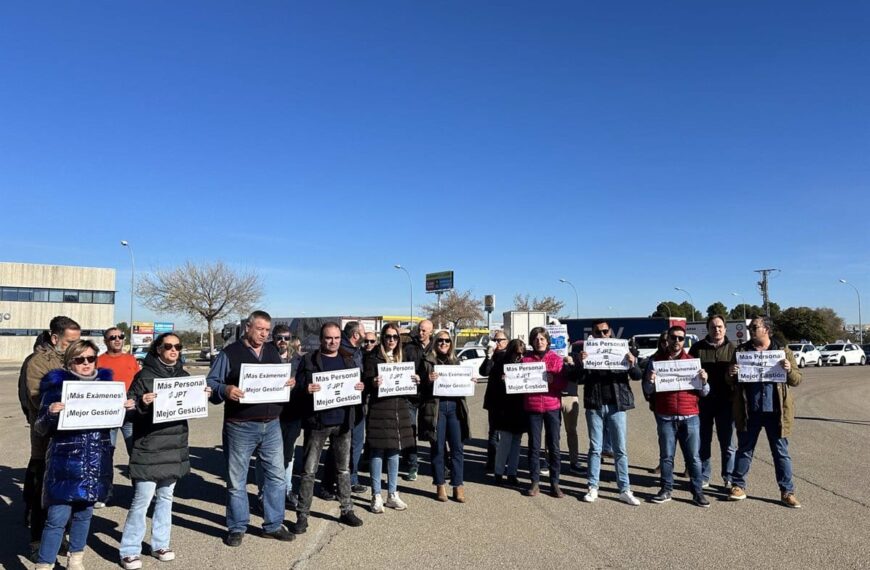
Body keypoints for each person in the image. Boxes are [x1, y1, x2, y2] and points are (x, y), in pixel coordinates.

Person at [34, 340, 134, 570]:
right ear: (70, 362)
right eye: (79, 359)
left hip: (95, 461)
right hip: (65, 462)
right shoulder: (56, 388)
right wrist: (50, 413)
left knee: (84, 514)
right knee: (56, 518)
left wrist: (129, 410)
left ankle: (76, 559)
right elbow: (40, 427)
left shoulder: (108, 388)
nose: (86, 363)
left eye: (90, 358)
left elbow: (117, 422)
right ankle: (45, 563)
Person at [120, 333, 211, 569]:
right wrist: (142, 403)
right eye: (168, 346)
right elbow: (129, 410)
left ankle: (160, 544)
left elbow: (191, 408)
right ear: (158, 349)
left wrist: (202, 397)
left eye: (177, 347)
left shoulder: (184, 377)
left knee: (166, 498)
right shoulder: (144, 376)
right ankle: (130, 550)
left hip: (174, 445)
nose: (173, 350)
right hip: (149, 446)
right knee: (142, 499)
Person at [206, 310, 296, 546]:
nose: (264, 334)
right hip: (240, 426)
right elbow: (211, 383)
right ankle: (237, 527)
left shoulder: (272, 352)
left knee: (276, 477)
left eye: (267, 330)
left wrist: (288, 383)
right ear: (248, 327)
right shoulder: (229, 353)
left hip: (271, 424)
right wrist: (225, 390)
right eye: (260, 329)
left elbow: (278, 380)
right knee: (237, 481)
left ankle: (273, 525)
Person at [291, 322, 365, 534]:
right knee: (309, 471)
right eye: (328, 338)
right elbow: (297, 387)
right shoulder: (309, 360)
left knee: (343, 469)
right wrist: (306, 389)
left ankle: (346, 509)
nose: (332, 342)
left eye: (336, 338)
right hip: (317, 423)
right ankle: (302, 515)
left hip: (343, 422)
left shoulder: (348, 359)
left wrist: (360, 386)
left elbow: (357, 385)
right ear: (321, 339)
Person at [727, 316, 803, 507]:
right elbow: (730, 381)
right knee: (745, 450)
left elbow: (797, 380)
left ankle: (787, 492)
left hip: (776, 412)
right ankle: (738, 486)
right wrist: (730, 373)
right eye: (750, 327)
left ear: (767, 329)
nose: (751, 330)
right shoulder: (742, 351)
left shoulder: (782, 351)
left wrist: (788, 370)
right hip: (749, 410)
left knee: (781, 452)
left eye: (755, 327)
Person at [24, 316, 81, 558]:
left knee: (66, 492)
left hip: (73, 440)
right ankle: (37, 542)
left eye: (77, 341)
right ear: (55, 338)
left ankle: (61, 536)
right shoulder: (38, 363)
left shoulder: (77, 359)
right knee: (42, 493)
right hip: (47, 439)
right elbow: (36, 398)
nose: (75, 347)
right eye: (69, 342)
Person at [573, 320, 642, 506]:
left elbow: (637, 375)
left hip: (616, 405)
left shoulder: (622, 349)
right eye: (598, 332)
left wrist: (632, 363)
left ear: (610, 332)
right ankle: (592, 487)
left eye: (605, 331)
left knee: (620, 449)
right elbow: (578, 379)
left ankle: (624, 489)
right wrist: (581, 363)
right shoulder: (588, 351)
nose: (602, 335)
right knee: (595, 448)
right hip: (595, 404)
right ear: (592, 334)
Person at [643, 325, 711, 507]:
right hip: (666, 416)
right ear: (667, 339)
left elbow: (704, 392)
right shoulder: (656, 362)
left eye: (680, 338)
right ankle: (666, 490)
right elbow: (648, 390)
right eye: (673, 337)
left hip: (690, 416)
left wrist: (704, 381)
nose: (676, 341)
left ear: (684, 341)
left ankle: (697, 492)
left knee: (694, 457)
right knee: (666, 456)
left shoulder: (692, 362)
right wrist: (650, 380)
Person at [363, 323, 419, 512]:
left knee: (395, 451)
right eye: (388, 336)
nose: (392, 340)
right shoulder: (373, 357)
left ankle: (392, 494)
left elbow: (413, 379)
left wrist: (416, 379)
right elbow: (365, 382)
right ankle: (376, 495)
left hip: (399, 408)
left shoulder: (404, 357)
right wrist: (372, 382)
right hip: (380, 408)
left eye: (395, 337)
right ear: (382, 338)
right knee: (377, 451)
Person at [254, 324, 304, 511]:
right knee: (264, 454)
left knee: (288, 454)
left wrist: (297, 384)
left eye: (286, 338)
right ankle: (263, 493)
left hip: (291, 413)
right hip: (268, 413)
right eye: (279, 338)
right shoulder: (264, 357)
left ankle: (286, 489)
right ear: (273, 339)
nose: (283, 341)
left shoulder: (298, 360)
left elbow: (304, 382)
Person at [419, 331, 471, 503]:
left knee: (457, 448)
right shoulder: (427, 361)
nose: (443, 343)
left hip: (455, 408)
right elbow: (419, 387)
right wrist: (428, 380)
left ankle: (458, 485)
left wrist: (469, 381)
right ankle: (440, 484)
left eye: (447, 340)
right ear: (435, 342)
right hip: (437, 408)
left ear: (451, 343)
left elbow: (463, 384)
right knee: (438, 448)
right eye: (440, 340)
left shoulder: (457, 362)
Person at [320, 321, 368, 498]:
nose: (334, 341)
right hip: (340, 408)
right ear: (356, 335)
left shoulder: (358, 351)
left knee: (355, 445)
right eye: (364, 332)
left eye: (337, 338)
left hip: (357, 405)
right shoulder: (342, 353)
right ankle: (328, 485)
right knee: (337, 448)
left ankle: (350, 481)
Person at [689, 314, 737, 489]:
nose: (716, 330)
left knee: (728, 443)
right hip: (703, 402)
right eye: (713, 327)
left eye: (719, 327)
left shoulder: (734, 349)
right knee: (703, 441)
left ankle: (729, 477)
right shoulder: (697, 349)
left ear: (725, 328)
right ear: (707, 329)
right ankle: (703, 476)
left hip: (727, 402)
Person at [522, 327, 568, 498]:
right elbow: (518, 382)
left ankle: (554, 483)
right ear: (532, 342)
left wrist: (553, 380)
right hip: (532, 407)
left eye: (542, 338)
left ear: (548, 341)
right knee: (534, 446)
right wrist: (510, 379)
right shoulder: (525, 360)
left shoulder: (556, 359)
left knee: (554, 446)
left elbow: (563, 384)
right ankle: (534, 482)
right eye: (536, 339)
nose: (539, 342)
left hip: (552, 407)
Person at [488, 339, 528, 486]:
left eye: (522, 354)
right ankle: (498, 473)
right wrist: (502, 381)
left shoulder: (525, 365)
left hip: (520, 408)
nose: (520, 357)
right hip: (505, 408)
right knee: (505, 442)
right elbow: (492, 387)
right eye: (517, 353)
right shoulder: (500, 364)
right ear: (511, 352)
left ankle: (512, 473)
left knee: (517, 442)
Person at [401, 320, 435, 481]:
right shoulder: (408, 348)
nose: (421, 333)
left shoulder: (436, 347)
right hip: (410, 396)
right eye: (419, 330)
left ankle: (440, 464)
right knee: (410, 431)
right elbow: (400, 368)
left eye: (424, 331)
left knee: (432, 430)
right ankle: (412, 464)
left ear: (431, 332)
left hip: (429, 396)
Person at [480, 331, 509, 473]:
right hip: (493, 400)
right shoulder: (492, 356)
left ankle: (505, 460)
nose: (497, 342)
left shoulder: (510, 356)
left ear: (507, 341)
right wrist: (489, 356)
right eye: (494, 340)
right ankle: (492, 461)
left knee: (507, 432)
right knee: (493, 432)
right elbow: (484, 372)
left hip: (507, 400)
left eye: (500, 340)